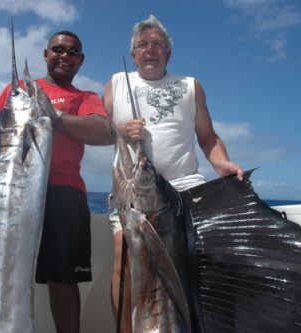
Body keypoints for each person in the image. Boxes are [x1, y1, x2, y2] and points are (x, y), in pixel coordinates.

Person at [0, 31, 113, 333]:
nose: (65, 55)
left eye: (73, 52)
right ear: (46, 54)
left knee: (63, 278)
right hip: (9, 193)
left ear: (81, 60)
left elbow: (104, 132)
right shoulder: (20, 88)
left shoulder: (86, 98)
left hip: (64, 194)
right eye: (58, 49)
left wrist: (54, 116)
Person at [103, 15, 244, 332]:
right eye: (142, 45)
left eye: (157, 45)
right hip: (134, 194)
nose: (149, 50)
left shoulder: (190, 86)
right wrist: (120, 130)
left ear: (168, 53)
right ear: (134, 52)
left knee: (201, 264)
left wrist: (223, 164)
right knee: (123, 259)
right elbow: (101, 131)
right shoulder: (115, 84)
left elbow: (207, 138)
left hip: (185, 191)